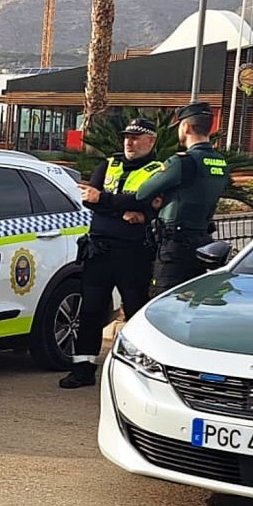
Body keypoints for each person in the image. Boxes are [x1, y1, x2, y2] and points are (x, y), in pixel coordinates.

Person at [59, 118, 163, 389]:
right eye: (127, 137)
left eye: (136, 138)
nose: (129, 142)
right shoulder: (108, 165)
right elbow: (89, 200)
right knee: (90, 311)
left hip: (134, 254)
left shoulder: (158, 171)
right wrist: (126, 209)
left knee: (136, 311)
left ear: (151, 140)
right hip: (100, 250)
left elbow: (148, 202)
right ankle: (83, 369)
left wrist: (107, 201)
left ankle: (141, 372)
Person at [135, 102, 229, 297]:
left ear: (185, 127)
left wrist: (163, 198)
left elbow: (143, 193)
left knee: (165, 299)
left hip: (175, 247)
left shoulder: (181, 162)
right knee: (194, 299)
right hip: (202, 241)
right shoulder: (221, 162)